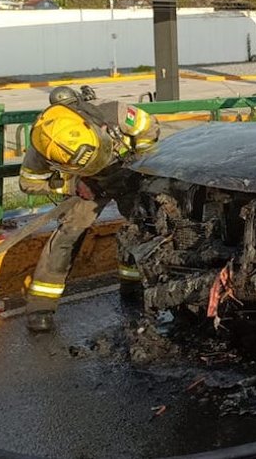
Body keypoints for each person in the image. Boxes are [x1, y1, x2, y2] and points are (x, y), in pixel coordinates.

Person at [19, 86, 159, 333]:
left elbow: (147, 126)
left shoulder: (113, 112)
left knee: (141, 225)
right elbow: (28, 182)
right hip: (87, 184)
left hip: (129, 172)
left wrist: (145, 167)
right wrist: (70, 184)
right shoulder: (43, 144)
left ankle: (132, 286)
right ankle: (41, 308)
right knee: (67, 236)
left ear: (101, 130)